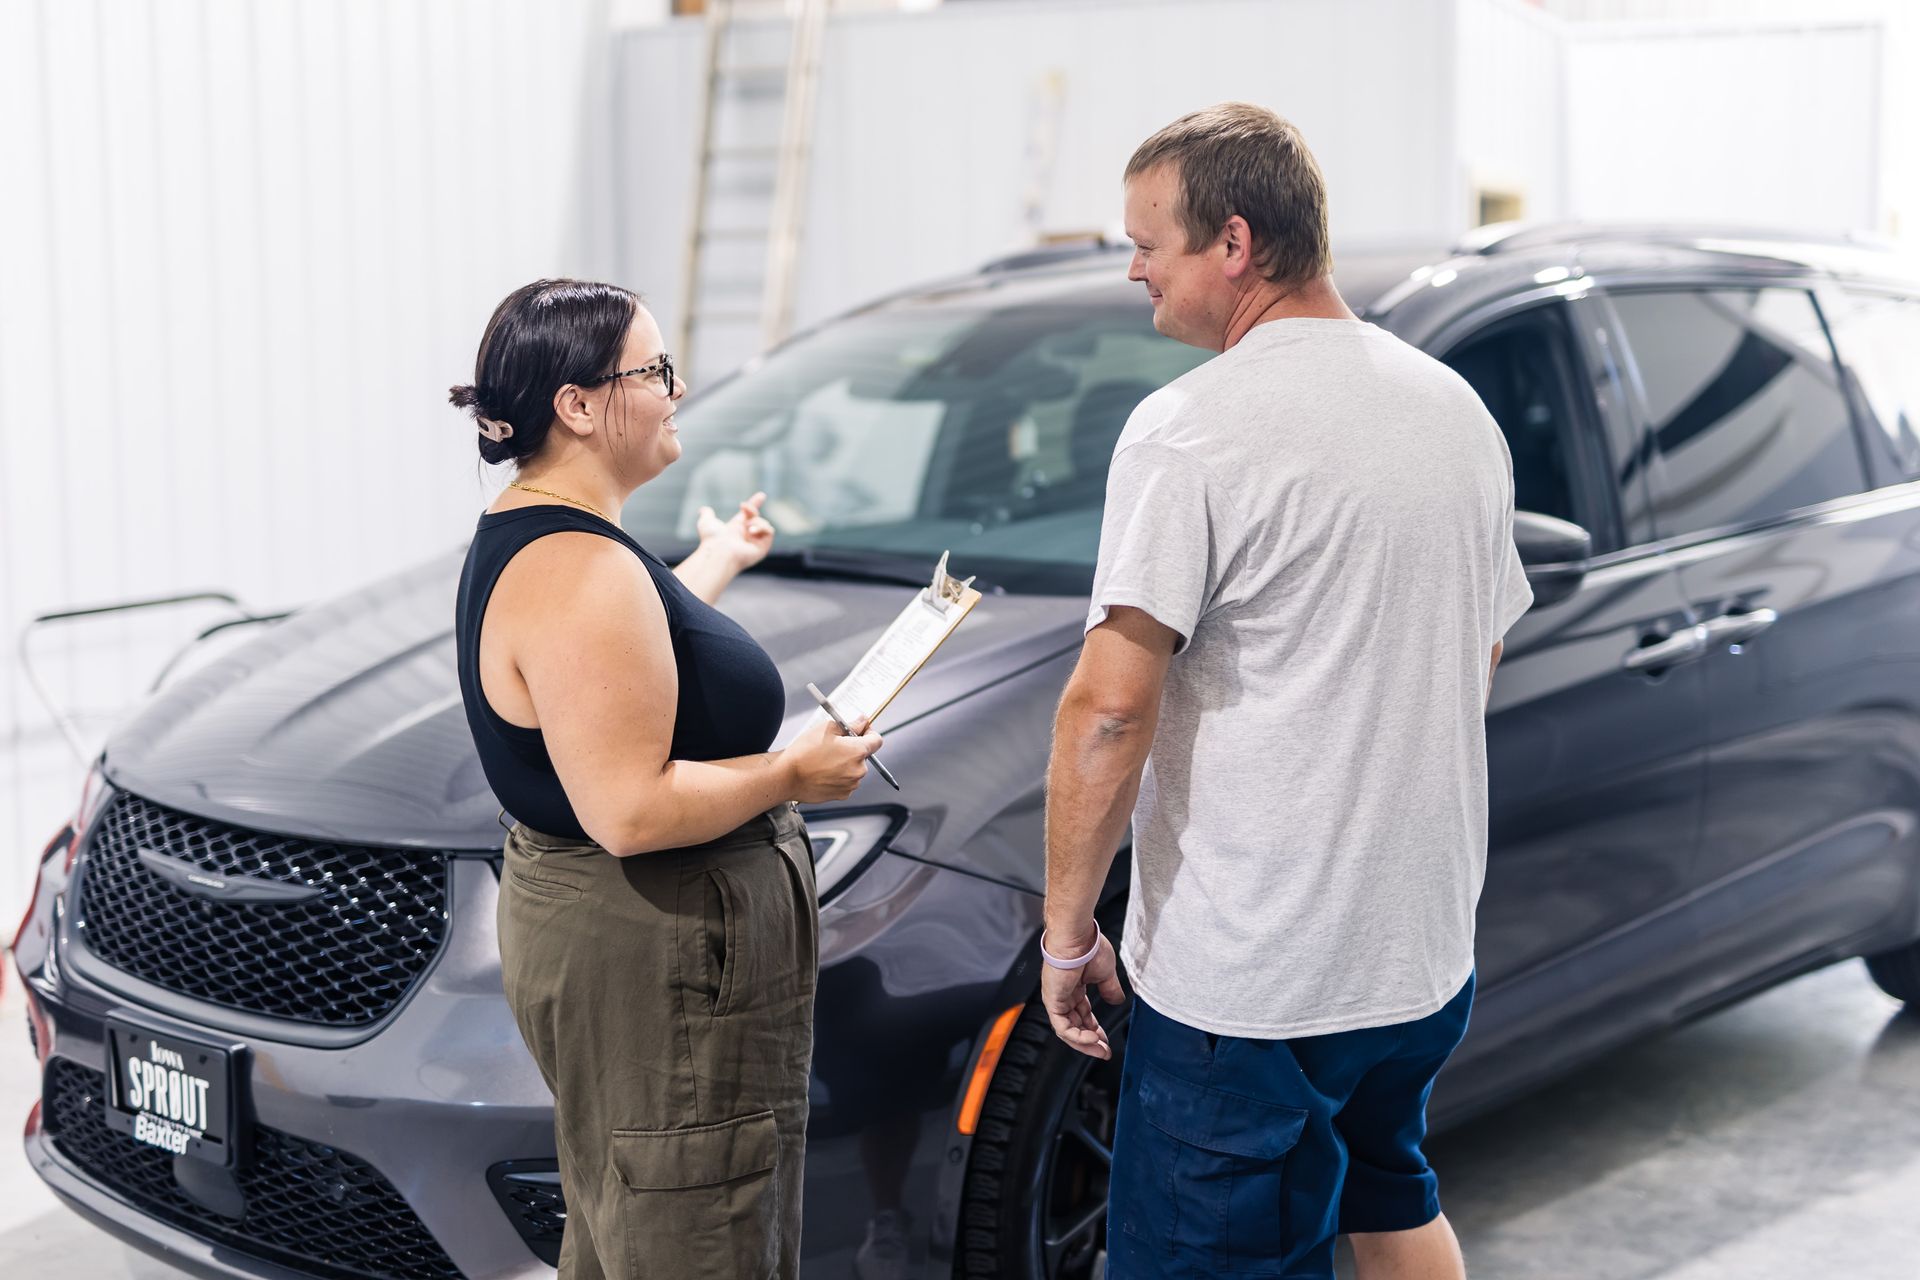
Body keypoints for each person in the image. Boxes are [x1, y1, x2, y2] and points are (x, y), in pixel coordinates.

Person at [1037, 105, 1533, 1279]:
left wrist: (1067, 933)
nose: (1135, 266)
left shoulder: (1190, 430)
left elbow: (1109, 707)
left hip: (1254, 987)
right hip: (1415, 956)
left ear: (1235, 244)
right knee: (1389, 1186)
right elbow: (1481, 652)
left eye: (1150, 242)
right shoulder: (1451, 409)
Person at [449, 279, 881, 1279]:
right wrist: (793, 772)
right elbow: (631, 810)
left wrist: (716, 558)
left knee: (639, 1215)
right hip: (662, 947)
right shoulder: (578, 567)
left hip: (634, 943)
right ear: (581, 404)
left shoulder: (550, 534)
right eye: (655, 370)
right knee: (694, 1222)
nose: (677, 388)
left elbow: (625, 661)